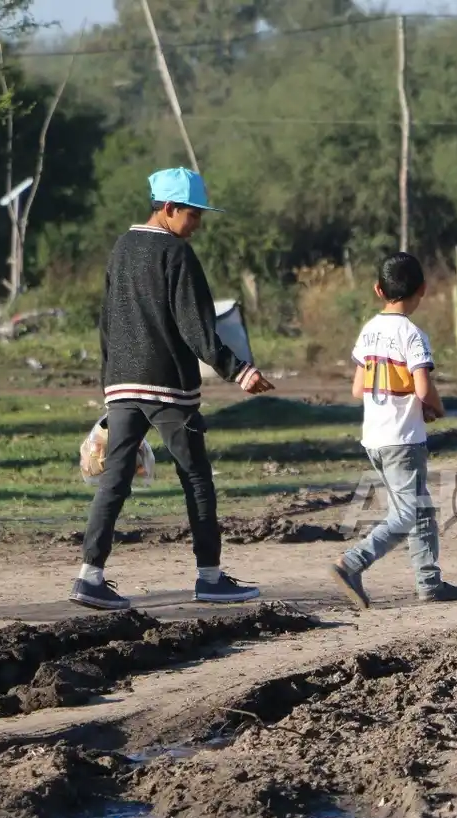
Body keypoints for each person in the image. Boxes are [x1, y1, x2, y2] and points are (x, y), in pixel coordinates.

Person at [70, 167, 274, 611]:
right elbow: (196, 328)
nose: (197, 223)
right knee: (197, 477)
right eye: (194, 214)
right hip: (167, 390)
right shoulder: (175, 255)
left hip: (122, 383)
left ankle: (90, 576)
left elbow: (107, 322)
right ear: (168, 209)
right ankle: (210, 578)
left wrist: (109, 384)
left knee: (116, 478)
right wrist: (239, 372)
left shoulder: (121, 248)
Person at [330, 252, 457, 608]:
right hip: (403, 440)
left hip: (375, 437)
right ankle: (352, 562)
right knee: (408, 513)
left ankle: (429, 583)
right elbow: (423, 388)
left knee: (419, 509)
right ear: (422, 289)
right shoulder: (413, 335)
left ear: (379, 290)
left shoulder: (369, 330)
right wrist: (435, 407)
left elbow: (357, 388)